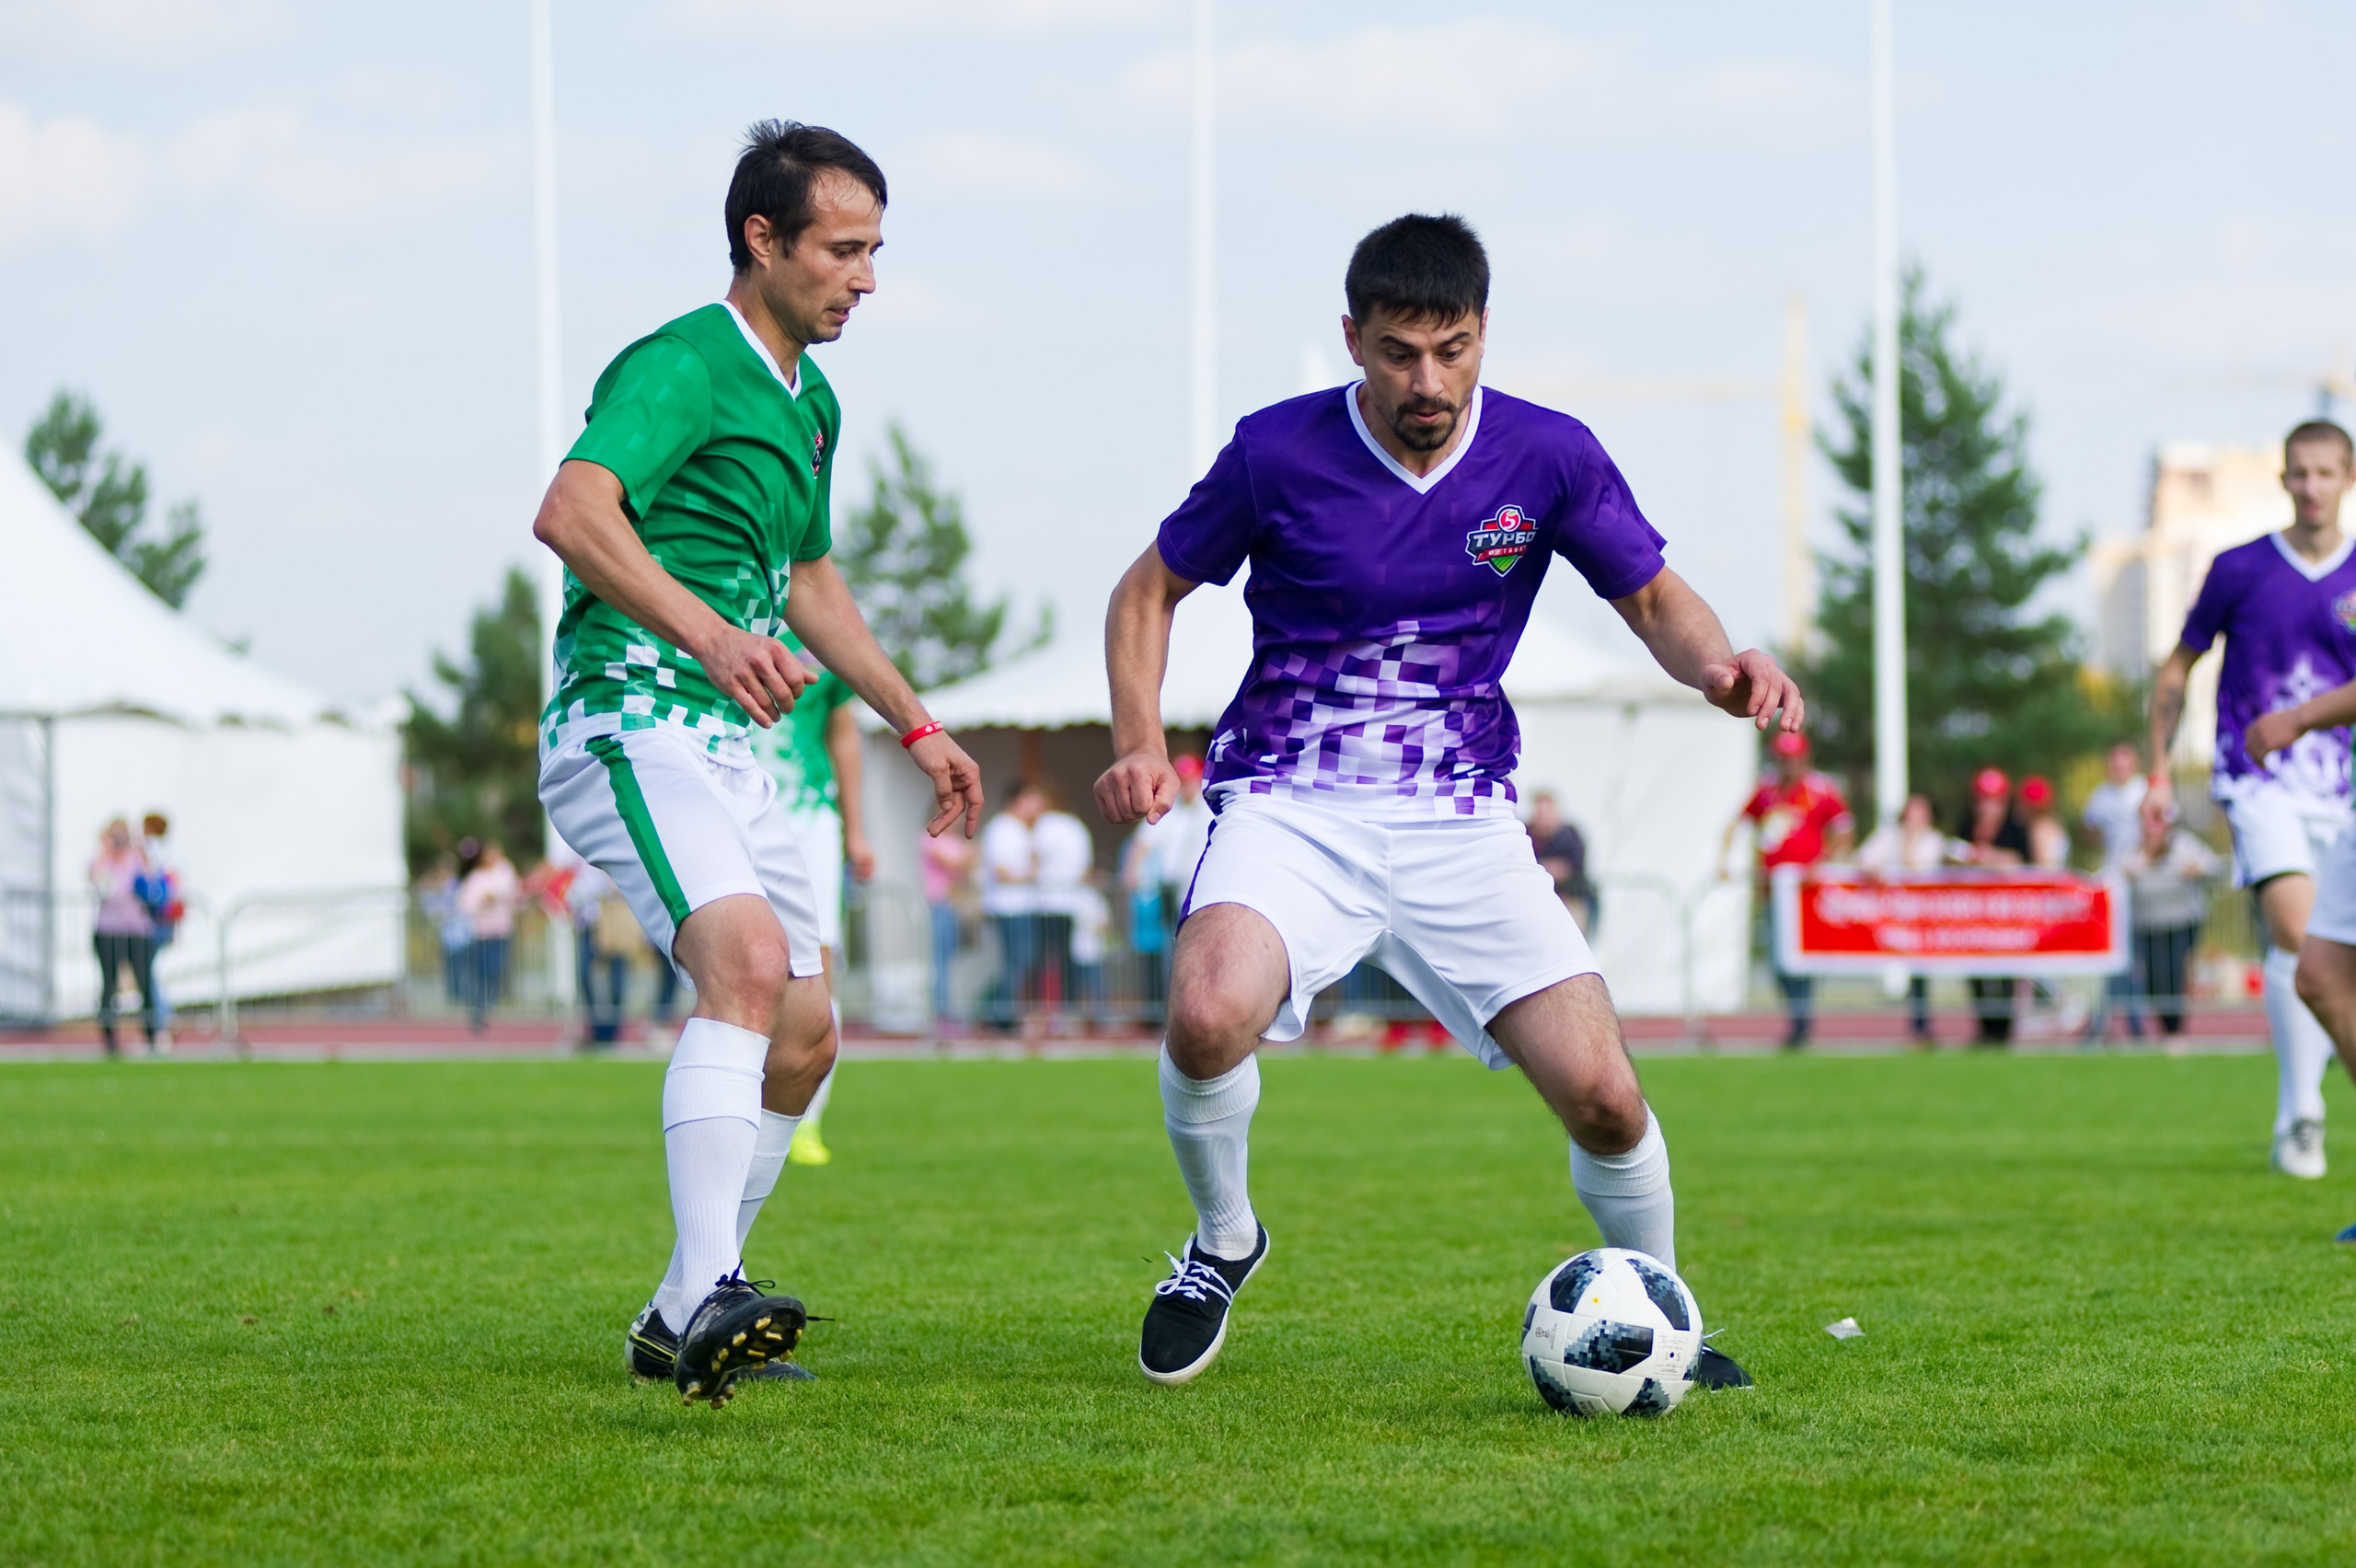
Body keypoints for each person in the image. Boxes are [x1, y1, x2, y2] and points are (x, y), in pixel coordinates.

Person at [1094, 213, 1798, 1389]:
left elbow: (1654, 601)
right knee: (1208, 1014)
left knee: (1608, 1100)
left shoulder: (1548, 456)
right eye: (1399, 352)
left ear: (1483, 335)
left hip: (1459, 817)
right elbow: (1145, 590)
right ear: (1353, 342)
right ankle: (1222, 1242)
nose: (1429, 380)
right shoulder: (1276, 452)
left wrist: (1723, 668)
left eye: (1454, 349)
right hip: (1292, 807)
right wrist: (1135, 740)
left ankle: (1669, 1314)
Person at [529, 120, 982, 1405]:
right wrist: (715, 635)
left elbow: (815, 587)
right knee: (738, 967)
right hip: (629, 714)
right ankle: (712, 1289)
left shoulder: (813, 402)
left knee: (805, 1036)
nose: (867, 277)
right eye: (843, 248)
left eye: (876, 250)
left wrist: (917, 721)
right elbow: (572, 510)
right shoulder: (683, 362)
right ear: (762, 239)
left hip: (732, 747)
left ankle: (682, 1307)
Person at [2144, 419, 2356, 1180]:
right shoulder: (2239, 569)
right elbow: (2177, 669)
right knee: (2299, 934)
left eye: (2326, 473)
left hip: (2342, 791)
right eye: (2298, 473)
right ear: (2282, 479)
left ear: (2348, 479)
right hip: (2256, 779)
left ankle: (2300, 1100)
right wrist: (2160, 773)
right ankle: (2304, 1114)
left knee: (2320, 963)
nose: (2311, 487)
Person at [751, 628, 875, 1168]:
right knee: (734, 964)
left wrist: (856, 831)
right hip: (736, 807)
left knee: (815, 969)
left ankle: (806, 1120)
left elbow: (842, 735)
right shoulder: (726, 603)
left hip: (809, 817)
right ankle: (736, 1114)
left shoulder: (820, 630)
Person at [1721, 731, 1852, 1048]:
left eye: (1792, 759)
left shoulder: (1821, 791)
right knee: (1778, 960)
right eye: (1782, 759)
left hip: (1806, 893)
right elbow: (1739, 822)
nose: (1787, 765)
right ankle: (1797, 1016)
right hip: (1773, 889)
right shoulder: (1767, 792)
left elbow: (1844, 832)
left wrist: (1821, 863)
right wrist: (1725, 860)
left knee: (1803, 958)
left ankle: (1801, 1021)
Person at [1854, 792, 1959, 1043]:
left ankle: (1921, 1025)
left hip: (1920, 921)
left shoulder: (1934, 841)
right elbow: (1863, 860)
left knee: (1920, 972)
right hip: (1887, 918)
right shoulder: (1887, 837)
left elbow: (1919, 869)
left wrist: (1909, 842)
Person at [1122, 753, 1212, 1022]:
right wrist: (1132, 873)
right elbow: (1142, 843)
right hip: (1170, 891)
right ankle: (1172, 1011)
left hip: (1198, 892)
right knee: (1169, 953)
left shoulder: (1206, 808)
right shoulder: (1170, 811)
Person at [2121, 809, 2221, 1040]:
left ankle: (2175, 1030)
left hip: (2180, 923)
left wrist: (2198, 870)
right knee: (2154, 980)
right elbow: (2114, 872)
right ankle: (2164, 1028)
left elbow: (2213, 866)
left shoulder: (2184, 844)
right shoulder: (2132, 848)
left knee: (2174, 975)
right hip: (2147, 924)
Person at [1955, 768, 2030, 1045]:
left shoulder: (2015, 828)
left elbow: (2023, 863)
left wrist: (1988, 857)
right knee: (1976, 973)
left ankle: (2004, 1029)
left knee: (2006, 974)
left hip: (2007, 917)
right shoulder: (1967, 827)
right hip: (1974, 918)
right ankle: (1986, 1029)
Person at [2081, 744, 2149, 1042]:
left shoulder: (2144, 790)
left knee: (2135, 957)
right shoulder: (2102, 796)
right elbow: (2089, 831)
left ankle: (2130, 1019)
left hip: (2143, 884)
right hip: (2114, 884)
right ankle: (2106, 1020)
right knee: (2114, 956)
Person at [88, 818, 157, 1056]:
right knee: (110, 984)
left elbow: (151, 883)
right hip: (108, 931)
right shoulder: (101, 862)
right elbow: (101, 887)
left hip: (137, 930)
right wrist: (104, 854)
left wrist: (142, 852)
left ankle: (151, 1033)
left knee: (144, 981)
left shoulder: (137, 859)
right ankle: (109, 1037)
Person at [977, 781, 1043, 1029]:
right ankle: (999, 1012)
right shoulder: (1002, 828)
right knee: (1017, 962)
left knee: (1022, 961)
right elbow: (1002, 871)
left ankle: (1001, 1010)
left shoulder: (1020, 829)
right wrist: (1031, 873)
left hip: (1021, 906)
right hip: (1008, 907)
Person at [1032, 787, 1094, 1021]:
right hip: (1071, 901)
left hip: (1048, 902)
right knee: (1068, 960)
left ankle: (1047, 1012)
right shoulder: (1077, 826)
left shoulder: (1046, 824)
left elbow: (1036, 859)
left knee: (1044, 960)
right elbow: (1085, 866)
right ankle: (1071, 1012)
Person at [456, 840, 520, 1032]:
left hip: (501, 930)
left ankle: (486, 1007)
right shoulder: (476, 877)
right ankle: (479, 1010)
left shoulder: (505, 871)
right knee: (481, 973)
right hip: (482, 932)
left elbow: (512, 891)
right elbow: (466, 904)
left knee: (494, 971)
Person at [920, 823, 976, 1029]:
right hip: (939, 904)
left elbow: (967, 866)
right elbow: (958, 864)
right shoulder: (930, 839)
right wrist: (968, 855)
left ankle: (948, 1010)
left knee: (950, 960)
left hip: (955, 905)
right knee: (940, 960)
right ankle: (941, 1013)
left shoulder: (954, 841)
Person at [137, 813, 181, 1049]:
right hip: (167, 919)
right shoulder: (174, 851)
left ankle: (163, 1018)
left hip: (156, 918)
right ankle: (162, 1017)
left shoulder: (152, 850)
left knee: (146, 972)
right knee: (148, 970)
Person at [1525, 790, 1597, 933]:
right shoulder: (1527, 834)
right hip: (1536, 902)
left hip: (1571, 898)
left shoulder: (1569, 835)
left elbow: (1576, 865)